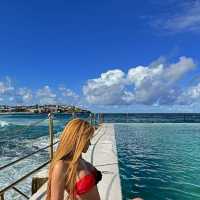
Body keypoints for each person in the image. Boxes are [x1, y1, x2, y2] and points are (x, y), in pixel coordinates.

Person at [46, 118, 102, 200]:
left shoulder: (81, 160)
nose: (90, 143)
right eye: (88, 139)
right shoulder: (61, 165)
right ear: (78, 139)